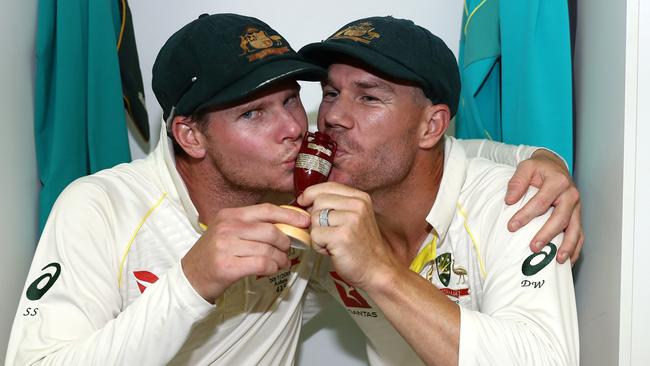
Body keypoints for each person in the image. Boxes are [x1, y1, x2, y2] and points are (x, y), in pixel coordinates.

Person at [6, 13, 578, 366]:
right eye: (255, 114)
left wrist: (542, 160)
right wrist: (189, 284)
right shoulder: (99, 206)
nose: (308, 125)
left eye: (290, 100)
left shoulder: (320, 205)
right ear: (189, 135)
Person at [298, 16, 579, 365]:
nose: (334, 116)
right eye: (330, 93)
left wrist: (379, 271)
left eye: (368, 97)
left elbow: (545, 360)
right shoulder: (319, 207)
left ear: (431, 127)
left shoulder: (515, 204)